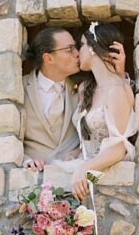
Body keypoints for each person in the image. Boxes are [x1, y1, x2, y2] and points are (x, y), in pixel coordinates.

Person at [49, 23, 137, 203]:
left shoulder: (118, 90)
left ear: (92, 49)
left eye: (80, 45)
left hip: (104, 170)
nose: (76, 52)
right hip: (83, 164)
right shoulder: (85, 88)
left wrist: (84, 168)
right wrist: (74, 153)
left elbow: (119, 147)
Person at [21, 26, 128, 168]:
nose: (77, 53)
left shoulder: (85, 89)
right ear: (48, 58)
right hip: (32, 179)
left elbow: (113, 126)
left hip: (77, 174)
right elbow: (7, 137)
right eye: (70, 49)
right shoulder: (19, 88)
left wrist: (119, 74)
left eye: (78, 47)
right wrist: (25, 160)